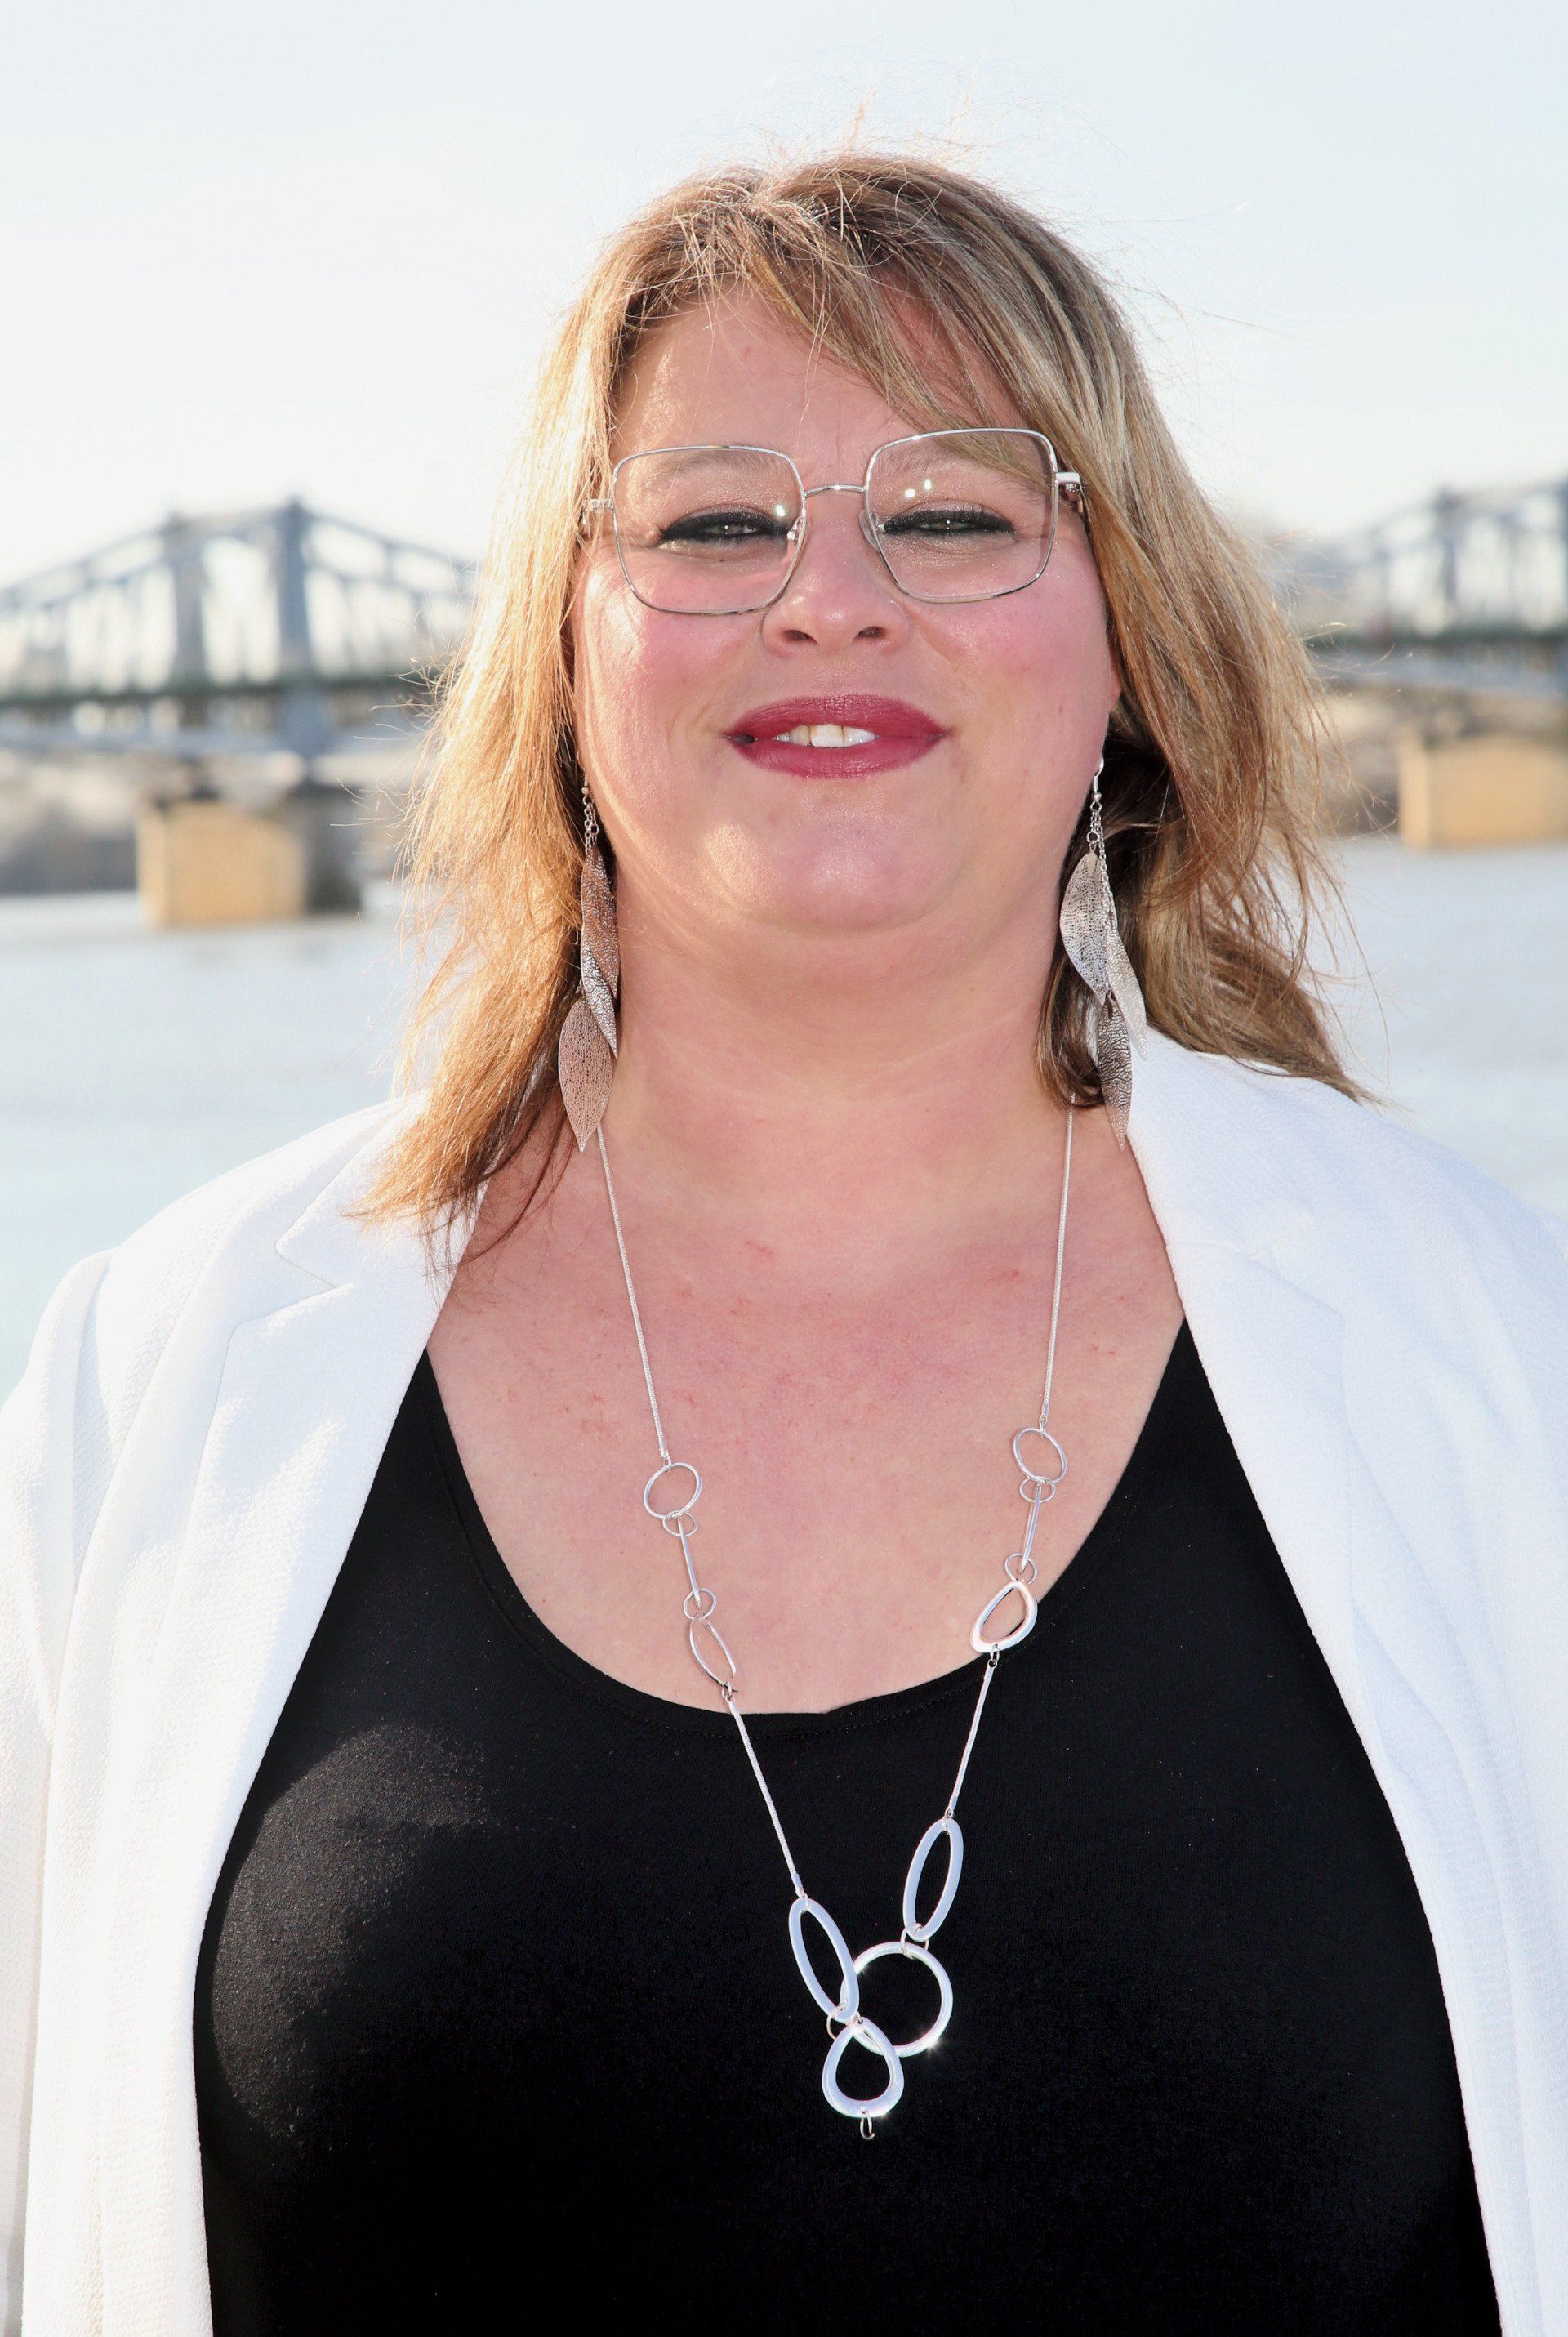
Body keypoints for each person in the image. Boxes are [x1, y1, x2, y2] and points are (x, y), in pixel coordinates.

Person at [3, 150, 1564, 2337]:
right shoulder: (152, 1384)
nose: (832, 595)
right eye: (716, 523)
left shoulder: (1493, 1352)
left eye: (957, 513)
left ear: (1130, 643)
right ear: (561, 650)